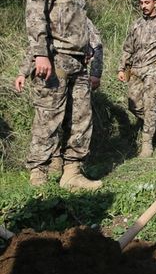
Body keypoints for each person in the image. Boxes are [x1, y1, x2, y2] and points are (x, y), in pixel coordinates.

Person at [18, 0, 102, 190]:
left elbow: (73, 23)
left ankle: (72, 172)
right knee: (48, 118)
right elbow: (35, 17)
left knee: (81, 118)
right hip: (55, 60)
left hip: (78, 62)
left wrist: (86, 49)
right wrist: (40, 55)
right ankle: (39, 174)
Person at [15, 17, 103, 177]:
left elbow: (96, 45)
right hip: (50, 73)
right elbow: (35, 46)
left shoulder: (83, 18)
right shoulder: (49, 16)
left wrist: (96, 73)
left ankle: (70, 170)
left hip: (78, 73)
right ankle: (41, 170)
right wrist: (23, 72)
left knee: (77, 119)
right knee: (48, 119)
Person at [118, 0, 156, 157]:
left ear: (155, 3)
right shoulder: (136, 24)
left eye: (147, 2)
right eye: (142, 3)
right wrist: (122, 68)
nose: (144, 6)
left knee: (150, 106)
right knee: (133, 104)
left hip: (155, 70)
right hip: (136, 70)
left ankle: (147, 145)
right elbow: (127, 48)